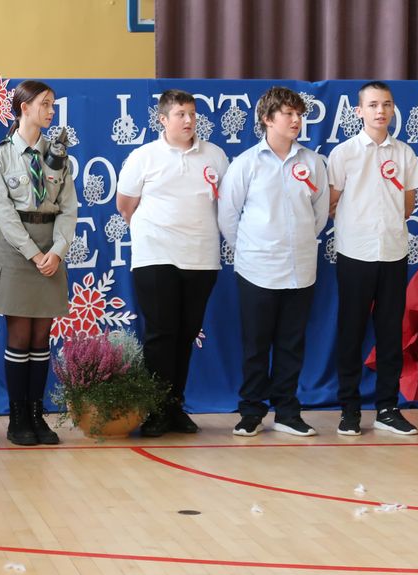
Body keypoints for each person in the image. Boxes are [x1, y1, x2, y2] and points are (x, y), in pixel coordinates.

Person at [115, 89, 229, 437]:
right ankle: (155, 410)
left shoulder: (215, 155)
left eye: (192, 113)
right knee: (161, 333)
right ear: (162, 119)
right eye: (180, 114)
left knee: (185, 334)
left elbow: (225, 203)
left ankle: (175, 406)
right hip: (156, 255)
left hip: (201, 257)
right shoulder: (143, 156)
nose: (189, 120)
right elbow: (125, 205)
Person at [218, 86, 329, 437]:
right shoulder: (246, 163)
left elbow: (319, 214)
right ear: (267, 119)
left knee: (291, 344)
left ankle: (287, 412)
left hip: (301, 269)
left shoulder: (313, 162)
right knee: (255, 345)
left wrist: (297, 242)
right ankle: (251, 411)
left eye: (299, 114)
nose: (296, 120)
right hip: (256, 269)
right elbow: (228, 216)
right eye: (288, 114)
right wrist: (251, 249)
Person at [328, 81, 418, 436]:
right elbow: (332, 203)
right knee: (351, 332)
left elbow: (409, 204)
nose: (380, 111)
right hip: (355, 253)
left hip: (394, 252)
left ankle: (387, 407)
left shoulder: (404, 153)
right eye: (372, 105)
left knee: (389, 334)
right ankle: (349, 409)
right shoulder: (344, 153)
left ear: (393, 109)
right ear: (359, 111)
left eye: (386, 104)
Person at [0, 80, 76, 446]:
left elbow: (69, 208)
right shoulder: (2, 154)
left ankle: (38, 413)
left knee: (42, 335)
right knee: (20, 334)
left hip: (50, 246)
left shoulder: (59, 155)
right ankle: (17, 416)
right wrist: (34, 254)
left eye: (52, 105)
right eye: (45, 104)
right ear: (24, 107)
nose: (51, 111)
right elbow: (3, 212)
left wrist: (57, 250)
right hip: (16, 248)